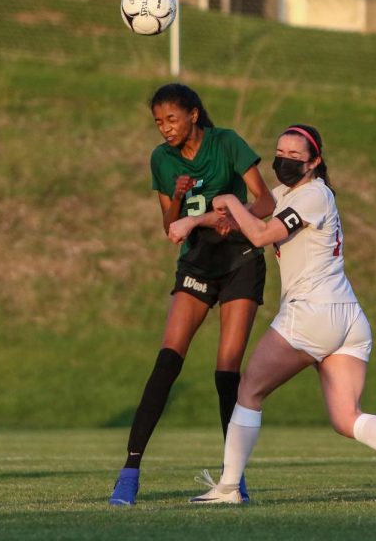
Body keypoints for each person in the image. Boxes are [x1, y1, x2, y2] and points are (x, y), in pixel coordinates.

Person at [189, 124, 376, 505]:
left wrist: (231, 202)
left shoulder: (314, 195)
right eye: (279, 153)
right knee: (345, 416)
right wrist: (195, 219)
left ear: (315, 161)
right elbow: (249, 217)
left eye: (294, 156)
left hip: (313, 312)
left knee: (249, 389)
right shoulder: (288, 193)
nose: (283, 160)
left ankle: (229, 487)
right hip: (347, 316)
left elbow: (260, 234)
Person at [108, 83, 275, 505]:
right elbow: (170, 224)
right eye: (158, 122)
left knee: (226, 371)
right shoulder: (161, 160)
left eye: (172, 119)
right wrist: (179, 196)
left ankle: (233, 480)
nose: (165, 128)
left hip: (239, 261)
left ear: (194, 115)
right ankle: (129, 472)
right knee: (168, 360)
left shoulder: (227, 143)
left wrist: (235, 220)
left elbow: (266, 201)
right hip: (197, 265)